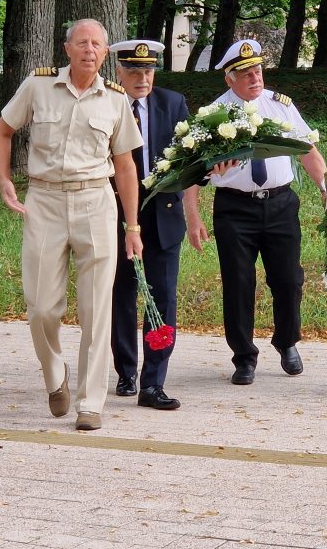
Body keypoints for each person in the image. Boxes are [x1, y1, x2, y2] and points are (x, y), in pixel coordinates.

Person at [0, 18, 144, 431]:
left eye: (97, 44)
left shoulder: (115, 99)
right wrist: (5, 180)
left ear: (105, 53)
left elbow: (126, 166)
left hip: (97, 200)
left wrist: (133, 227)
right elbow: (3, 131)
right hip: (45, 201)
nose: (89, 50)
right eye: (82, 42)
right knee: (42, 306)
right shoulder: (38, 86)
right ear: (67, 49)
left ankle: (91, 403)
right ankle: (54, 374)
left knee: (97, 310)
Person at [184, 39, 327, 385]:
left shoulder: (280, 106)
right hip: (234, 209)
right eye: (245, 73)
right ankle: (244, 357)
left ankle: (287, 343)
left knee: (288, 280)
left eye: (257, 70)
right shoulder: (213, 115)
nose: (254, 77)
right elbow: (193, 170)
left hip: (280, 204)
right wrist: (193, 217)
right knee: (239, 284)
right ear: (229, 79)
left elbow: (308, 151)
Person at [107, 39, 188, 411]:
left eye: (149, 70)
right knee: (121, 295)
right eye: (135, 71)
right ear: (119, 73)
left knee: (164, 298)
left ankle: (153, 383)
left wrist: (210, 171)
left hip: (164, 216)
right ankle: (126, 371)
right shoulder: (106, 102)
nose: (143, 78)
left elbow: (188, 158)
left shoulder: (172, 103)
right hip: (117, 215)